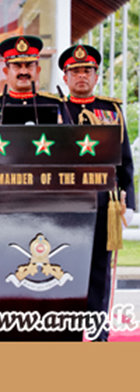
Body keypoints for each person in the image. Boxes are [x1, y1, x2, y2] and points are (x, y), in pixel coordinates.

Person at [59, 44, 135, 341]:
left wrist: (128, 198)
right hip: (65, 203)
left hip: (105, 201)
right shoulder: (54, 109)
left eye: (86, 70)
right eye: (74, 71)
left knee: (99, 271)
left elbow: (125, 160)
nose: (81, 76)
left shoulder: (111, 110)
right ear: (65, 77)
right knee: (65, 266)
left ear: (96, 75)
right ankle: (67, 332)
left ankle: (98, 332)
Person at [0, 35, 62, 125]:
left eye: (29, 65)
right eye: (17, 66)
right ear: (6, 72)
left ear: (37, 70)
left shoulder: (54, 104)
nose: (24, 72)